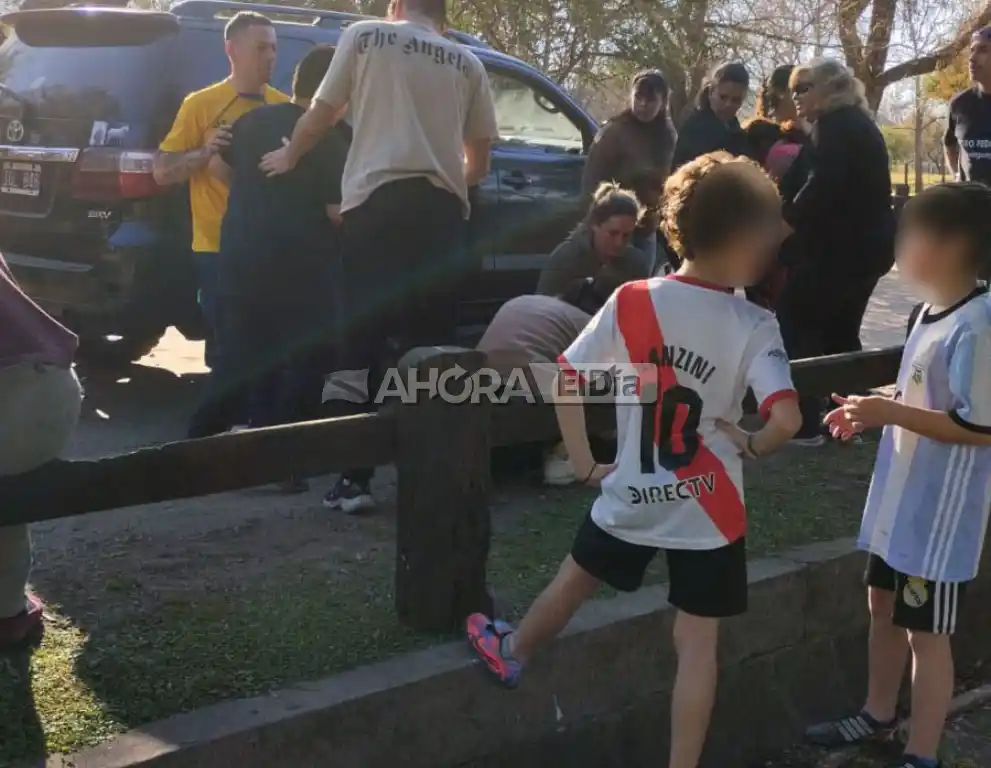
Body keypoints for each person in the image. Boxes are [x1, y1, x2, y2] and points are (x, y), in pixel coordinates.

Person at [465, 152, 802, 768]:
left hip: (632, 490)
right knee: (697, 643)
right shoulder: (756, 322)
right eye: (774, 225)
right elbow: (787, 420)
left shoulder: (632, 298)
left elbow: (565, 378)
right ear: (745, 239)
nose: (783, 236)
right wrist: (752, 443)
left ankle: (511, 651)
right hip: (711, 507)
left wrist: (586, 458)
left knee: (572, 583)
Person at [258, 0, 499, 514]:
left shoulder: (366, 37)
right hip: (440, 217)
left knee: (359, 340)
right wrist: (443, 174)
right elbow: (478, 161)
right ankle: (433, 474)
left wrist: (290, 155)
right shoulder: (469, 63)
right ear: (444, 19)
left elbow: (321, 113)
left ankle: (354, 477)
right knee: (432, 346)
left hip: (376, 208)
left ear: (394, 8)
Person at [807, 182, 991, 768]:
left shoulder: (980, 324)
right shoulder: (927, 312)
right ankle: (877, 713)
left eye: (912, 234)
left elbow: (980, 427)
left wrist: (888, 411)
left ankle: (921, 752)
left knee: (925, 632)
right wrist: (870, 407)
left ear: (955, 244)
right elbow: (918, 392)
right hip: (897, 501)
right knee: (881, 606)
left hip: (937, 515)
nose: (901, 247)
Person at [204, 45, 349, 491]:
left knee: (245, 356)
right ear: (335, 93)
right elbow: (336, 212)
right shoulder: (332, 136)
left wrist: (255, 192)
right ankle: (285, 461)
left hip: (239, 255)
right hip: (299, 266)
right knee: (308, 358)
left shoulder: (255, 120)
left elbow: (217, 166)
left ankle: (198, 446)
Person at [153, 11, 289, 438]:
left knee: (273, 346)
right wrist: (202, 153)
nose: (269, 56)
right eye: (259, 47)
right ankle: (215, 437)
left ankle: (258, 435)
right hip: (216, 247)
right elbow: (161, 171)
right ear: (231, 50)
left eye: (273, 48)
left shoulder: (284, 107)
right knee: (231, 346)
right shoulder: (202, 104)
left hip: (273, 247)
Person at [774, 58, 894, 446]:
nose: (797, 95)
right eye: (794, 89)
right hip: (867, 251)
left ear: (830, 88)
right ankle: (848, 423)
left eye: (806, 87)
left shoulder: (835, 126)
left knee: (797, 320)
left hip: (837, 251)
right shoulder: (858, 124)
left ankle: (808, 424)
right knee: (841, 334)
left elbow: (821, 188)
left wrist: (781, 228)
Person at [0, 253, 83, 649]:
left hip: (19, 398)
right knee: (7, 498)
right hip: (50, 391)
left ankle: (9, 611)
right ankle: (8, 609)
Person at [478, 272, 621, 486]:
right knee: (609, 388)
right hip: (531, 379)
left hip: (483, 375)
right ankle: (564, 457)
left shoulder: (526, 300)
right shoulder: (587, 322)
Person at [581, 70, 677, 274]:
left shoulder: (668, 136)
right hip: (615, 227)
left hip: (647, 227)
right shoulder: (614, 132)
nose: (642, 104)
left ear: (663, 102)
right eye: (638, 97)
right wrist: (596, 224)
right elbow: (592, 181)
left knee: (642, 284)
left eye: (650, 100)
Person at [536, 182, 651, 297]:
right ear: (595, 225)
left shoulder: (635, 264)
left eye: (626, 235)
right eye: (613, 233)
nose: (619, 243)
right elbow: (542, 306)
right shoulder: (566, 259)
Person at [671, 61, 749, 170]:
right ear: (711, 92)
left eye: (735, 100)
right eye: (723, 97)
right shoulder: (695, 129)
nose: (728, 105)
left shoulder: (736, 131)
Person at [944, 27, 991, 187]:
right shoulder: (959, 104)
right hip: (970, 207)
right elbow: (949, 143)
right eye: (972, 50)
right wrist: (956, 175)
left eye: (983, 50)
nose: (972, 58)